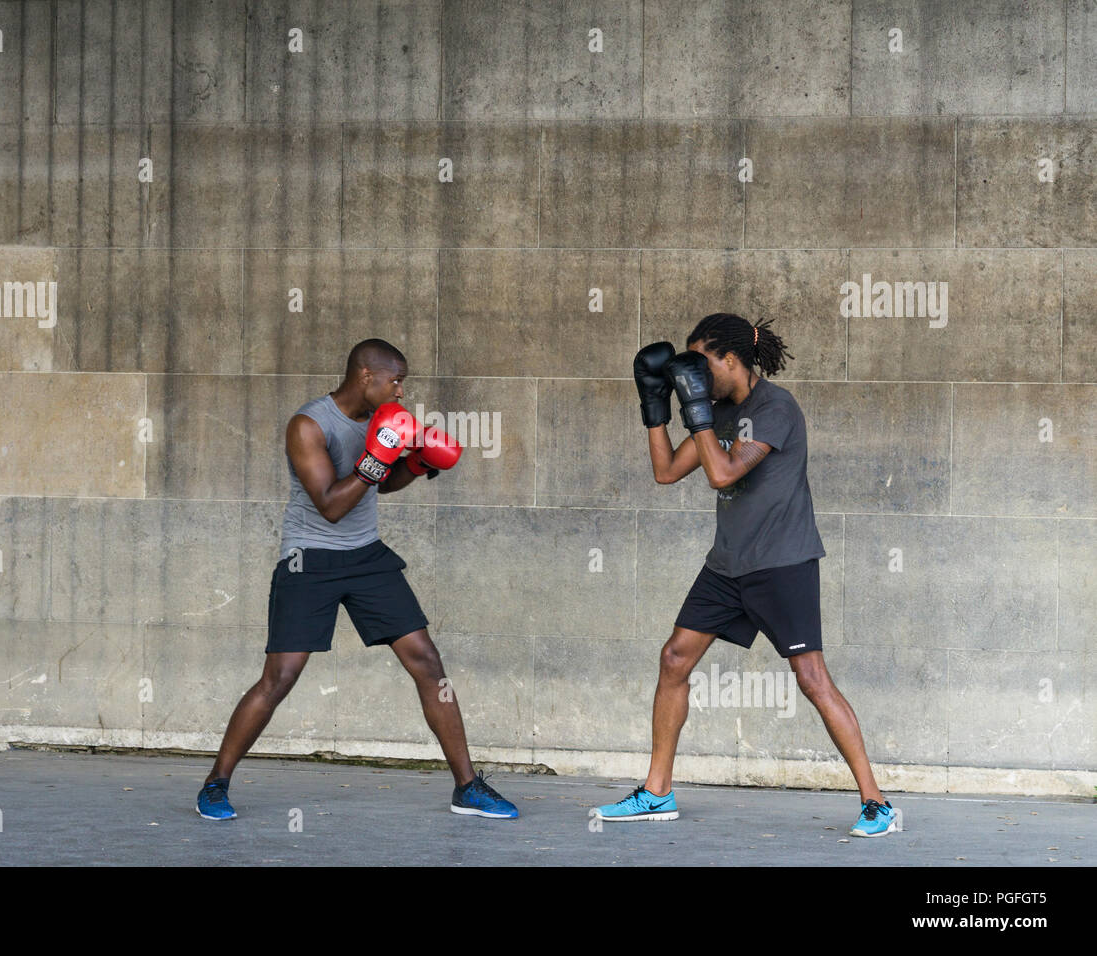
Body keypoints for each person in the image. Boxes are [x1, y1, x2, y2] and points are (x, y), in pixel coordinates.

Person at [596, 313, 901, 838]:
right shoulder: (715, 411)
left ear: (730, 360)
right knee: (674, 659)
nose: (691, 374)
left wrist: (694, 412)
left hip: (782, 563)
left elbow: (722, 474)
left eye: (700, 364)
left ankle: (878, 804)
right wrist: (654, 407)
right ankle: (657, 791)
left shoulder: (775, 409)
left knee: (812, 680)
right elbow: (666, 471)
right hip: (728, 565)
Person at [197, 338, 517, 821]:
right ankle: (215, 784)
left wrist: (418, 462)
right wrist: (377, 458)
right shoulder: (308, 425)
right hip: (310, 559)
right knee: (279, 678)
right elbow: (330, 505)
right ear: (367, 376)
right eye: (397, 381)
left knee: (429, 664)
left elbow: (382, 483)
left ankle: (467, 786)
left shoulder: (379, 422)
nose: (402, 392)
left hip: (366, 557)